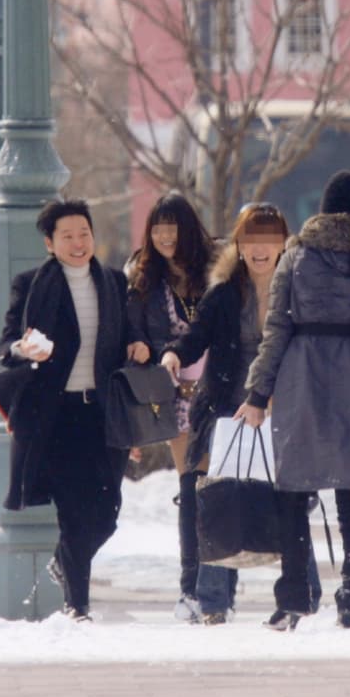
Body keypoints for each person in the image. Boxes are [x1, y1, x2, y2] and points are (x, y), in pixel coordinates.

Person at [239, 171, 350, 632]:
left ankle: (294, 596)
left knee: (294, 488)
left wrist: (259, 392)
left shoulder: (297, 254)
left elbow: (277, 327)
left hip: (300, 370)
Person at [160, 203, 322, 625]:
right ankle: (213, 600)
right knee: (218, 498)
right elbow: (197, 337)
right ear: (240, 245)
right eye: (251, 241)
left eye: (269, 241)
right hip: (229, 409)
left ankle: (303, 592)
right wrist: (175, 355)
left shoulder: (300, 289)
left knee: (289, 501)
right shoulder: (225, 293)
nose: (260, 249)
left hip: (283, 409)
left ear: (284, 244)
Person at [0, 198, 140, 621]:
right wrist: (22, 348)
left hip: (103, 412)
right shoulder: (29, 285)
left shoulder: (115, 283)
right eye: (68, 236)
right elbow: (6, 345)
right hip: (55, 415)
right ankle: (78, 604)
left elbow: (130, 335)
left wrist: (139, 344)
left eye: (84, 234)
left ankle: (66, 562)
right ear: (50, 243)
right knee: (75, 511)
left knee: (107, 511)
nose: (79, 243)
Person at [125, 193, 215, 623]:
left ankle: (218, 586)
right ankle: (191, 588)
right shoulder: (144, 280)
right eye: (157, 228)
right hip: (177, 398)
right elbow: (136, 334)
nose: (163, 236)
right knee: (194, 488)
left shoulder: (216, 271)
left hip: (221, 396)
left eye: (171, 227)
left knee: (219, 489)